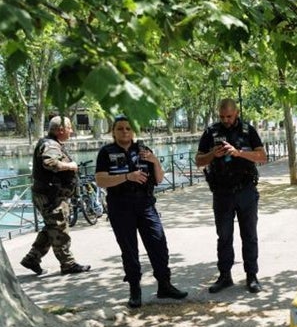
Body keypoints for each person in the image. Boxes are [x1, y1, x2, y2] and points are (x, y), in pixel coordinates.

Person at [95, 115, 187, 308]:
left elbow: (160, 179)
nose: (125, 132)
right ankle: (135, 290)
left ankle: (164, 285)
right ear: (113, 131)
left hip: (145, 205)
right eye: (120, 129)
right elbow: (101, 180)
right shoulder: (106, 152)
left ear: (133, 131)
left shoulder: (144, 151)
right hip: (120, 207)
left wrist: (155, 161)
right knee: (129, 251)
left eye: (128, 128)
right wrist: (128, 176)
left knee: (159, 244)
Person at [196, 99, 268, 294]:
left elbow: (263, 157)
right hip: (222, 192)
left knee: (249, 235)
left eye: (229, 116)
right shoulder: (211, 132)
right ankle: (225, 276)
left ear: (236, 113)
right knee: (224, 236)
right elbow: (198, 160)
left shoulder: (248, 130)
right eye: (222, 117)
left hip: (245, 189)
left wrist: (239, 153)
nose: (225, 120)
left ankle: (251, 276)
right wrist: (212, 154)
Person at [21, 116, 91, 276]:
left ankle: (32, 259)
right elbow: (50, 163)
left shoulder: (52, 143)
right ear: (60, 130)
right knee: (60, 230)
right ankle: (68, 264)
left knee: (52, 228)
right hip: (51, 197)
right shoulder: (50, 145)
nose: (71, 131)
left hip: (51, 195)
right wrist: (70, 166)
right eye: (69, 128)